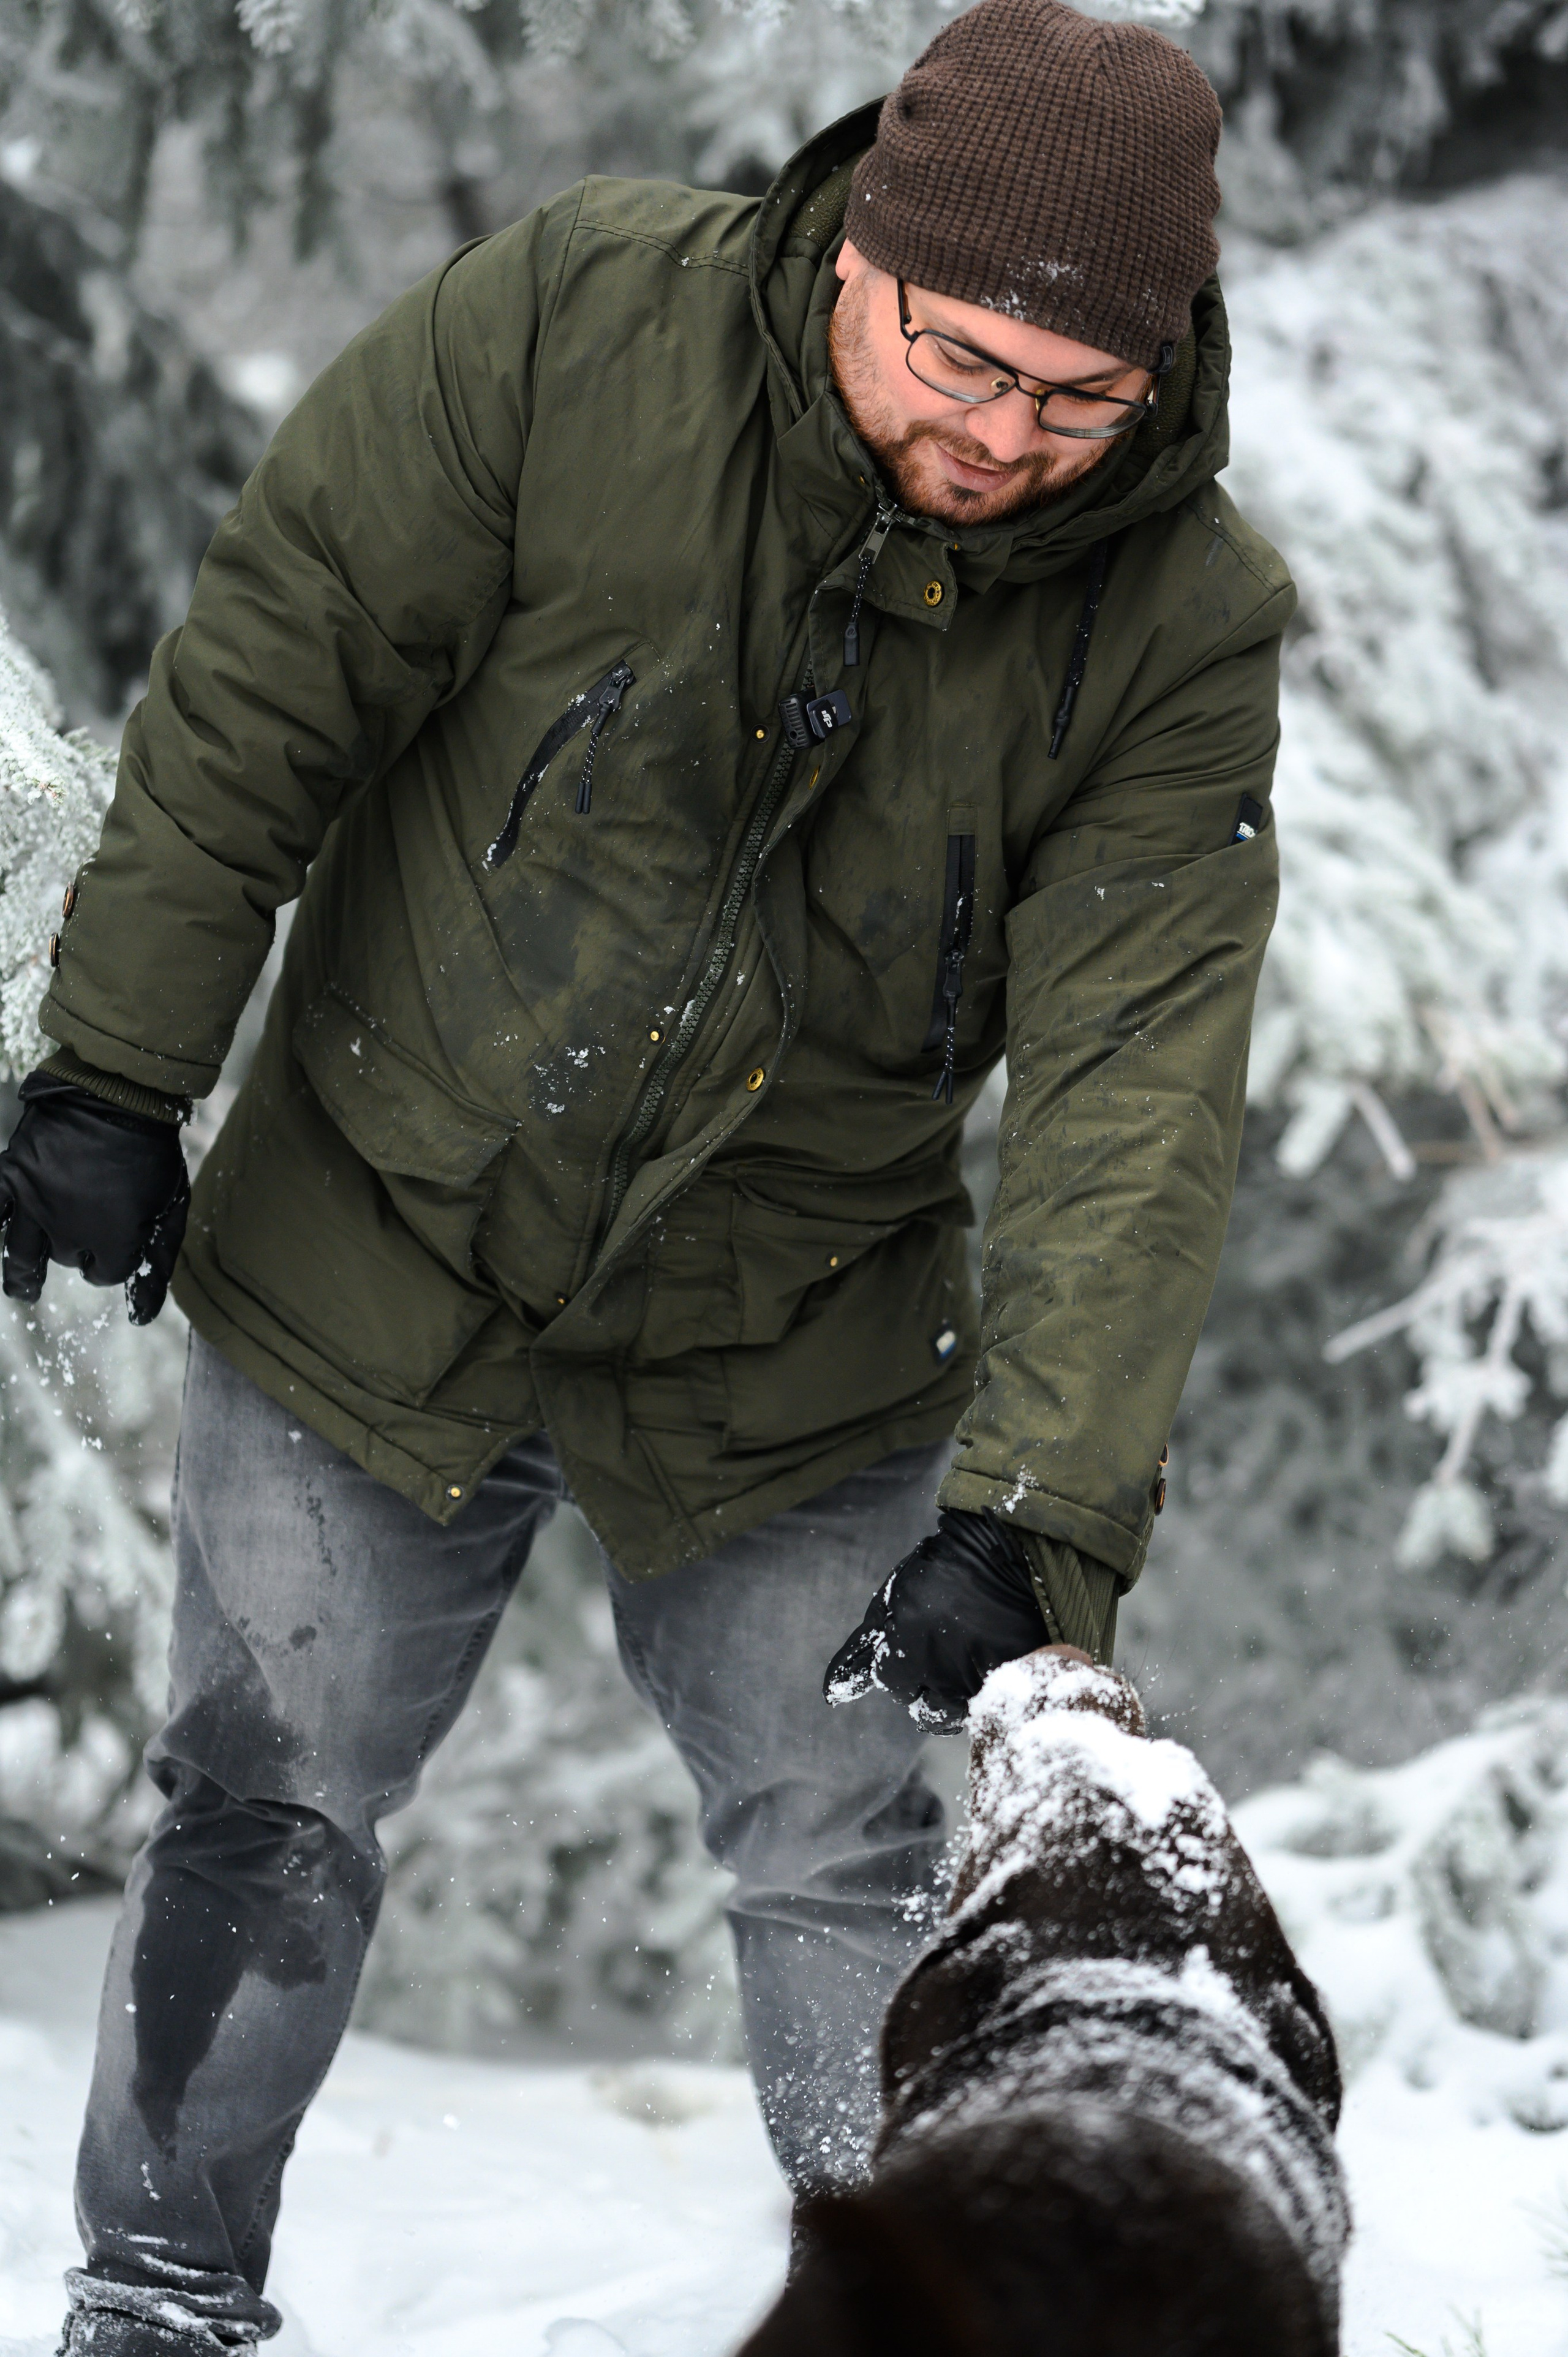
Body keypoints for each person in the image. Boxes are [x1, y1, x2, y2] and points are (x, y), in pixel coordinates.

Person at [0, 0, 1292, 2345]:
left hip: (791, 1334)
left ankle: (899, 2314)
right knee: (265, 1791)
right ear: (856, 253)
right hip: (380, 1225)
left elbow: (1132, 1086)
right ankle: (160, 2298)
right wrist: (116, 1065)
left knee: (848, 1852)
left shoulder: (1172, 626)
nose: (996, 434)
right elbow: (276, 667)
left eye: (1072, 398)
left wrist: (1035, 1510)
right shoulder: (574, 325)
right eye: (957, 358)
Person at [739, 1648, 1348, 2357]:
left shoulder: (980, 1946)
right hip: (1231, 2232)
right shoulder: (1209, 1872)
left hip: (965, 2219)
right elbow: (1300, 2053)